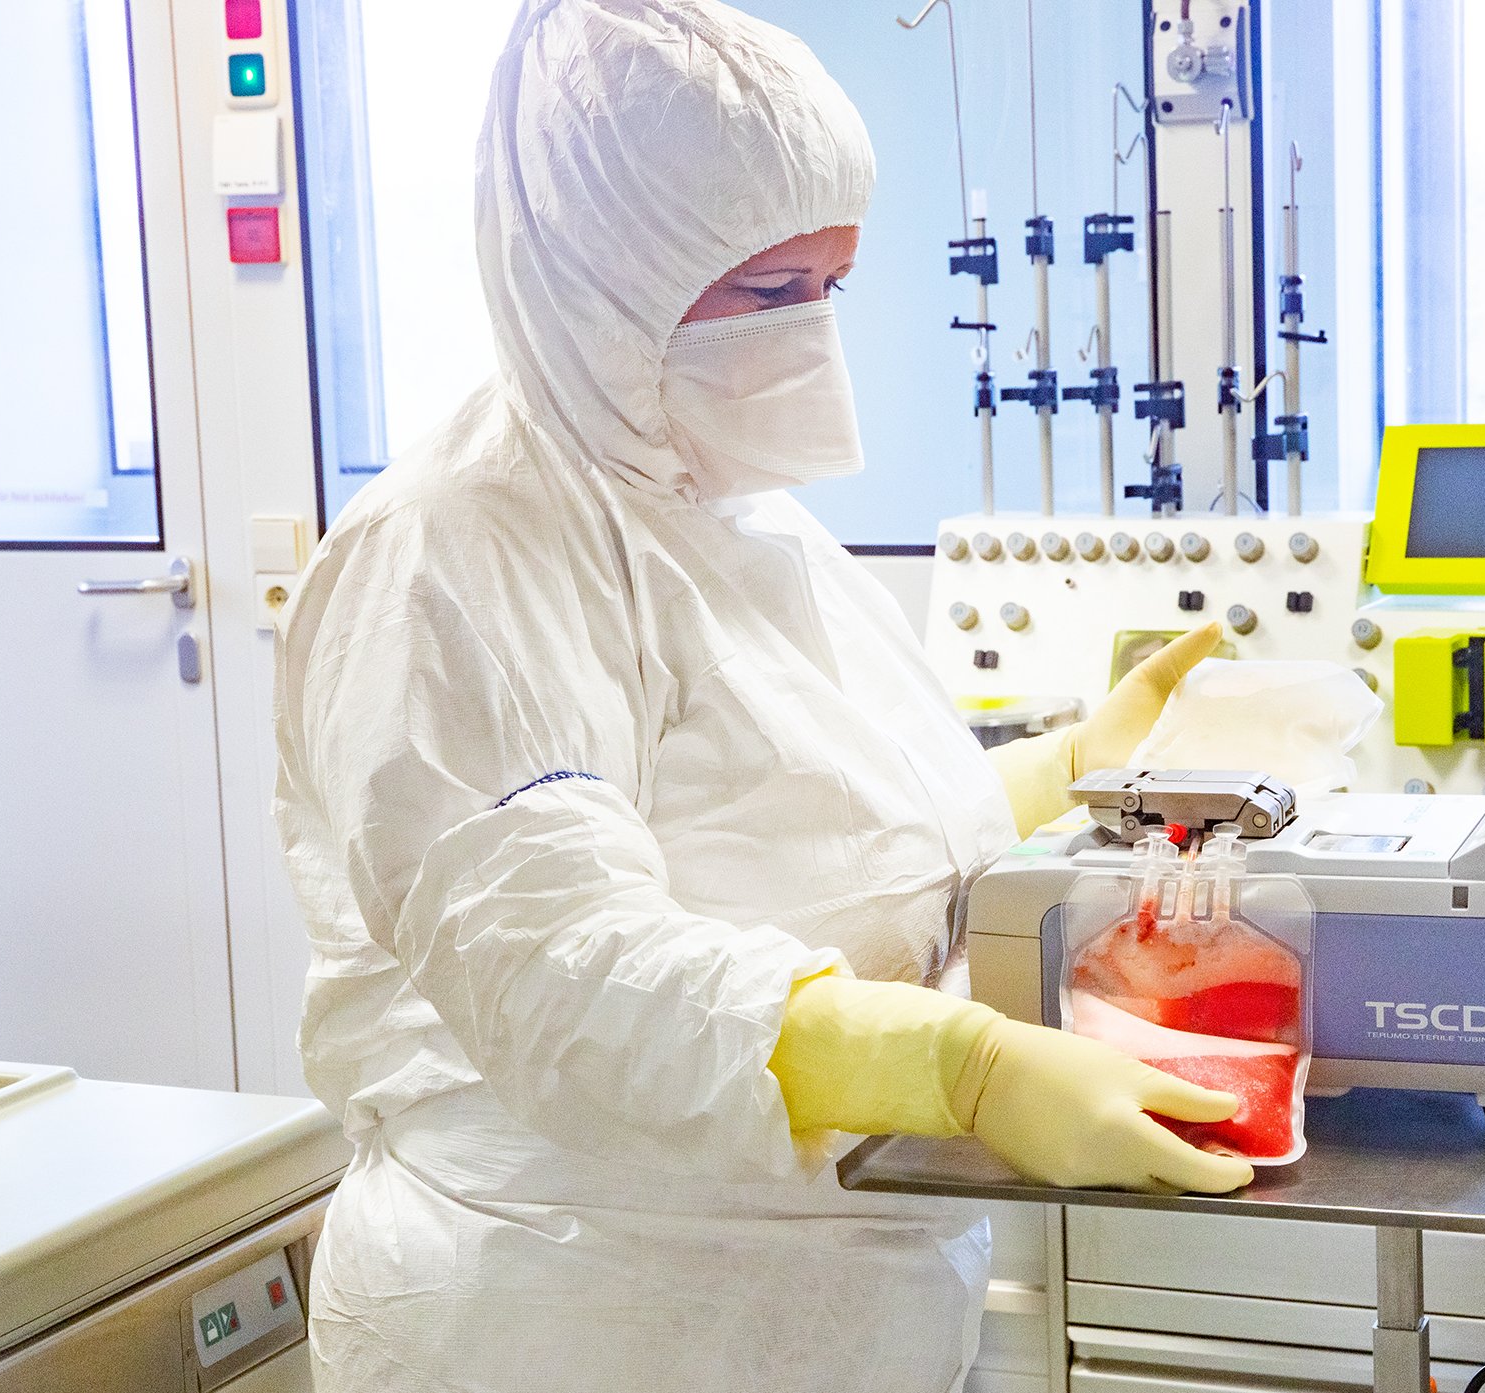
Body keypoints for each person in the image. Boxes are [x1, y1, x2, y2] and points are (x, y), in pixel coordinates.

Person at [272, 3, 1250, 1389]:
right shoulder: (449, 552)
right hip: (574, 1314)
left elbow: (829, 811)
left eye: (831, 288)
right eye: (765, 292)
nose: (808, 339)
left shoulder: (735, 507)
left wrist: (1073, 760)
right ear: (604, 274)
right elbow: (567, 969)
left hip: (827, 1306)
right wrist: (961, 1067)